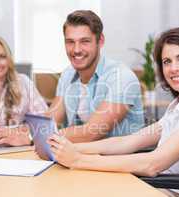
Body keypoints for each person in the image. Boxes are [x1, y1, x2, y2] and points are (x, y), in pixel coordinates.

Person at [48, 27, 179, 197]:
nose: (173, 68)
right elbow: (130, 141)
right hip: (159, 186)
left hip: (177, 194)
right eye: (167, 61)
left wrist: (78, 160)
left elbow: (153, 164)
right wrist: (69, 149)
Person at [46, 10, 144, 143]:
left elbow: (91, 133)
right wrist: (21, 132)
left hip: (121, 160)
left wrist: (39, 135)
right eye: (70, 42)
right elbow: (51, 121)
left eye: (84, 41)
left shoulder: (121, 77)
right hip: (79, 156)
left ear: (100, 40)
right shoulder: (68, 74)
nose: (76, 50)